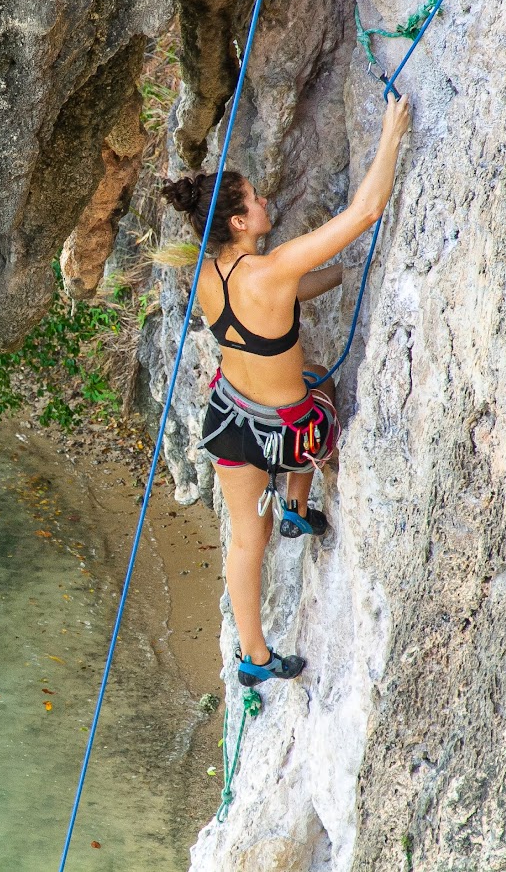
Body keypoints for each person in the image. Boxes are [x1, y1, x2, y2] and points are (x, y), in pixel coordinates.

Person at [161, 96, 412, 688]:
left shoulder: (206, 273)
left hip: (228, 422)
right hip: (288, 436)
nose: (266, 201)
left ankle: (253, 655)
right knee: (317, 385)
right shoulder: (271, 272)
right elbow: (367, 209)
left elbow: (275, 308)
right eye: (256, 198)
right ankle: (297, 506)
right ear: (241, 221)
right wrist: (391, 133)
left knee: (248, 540)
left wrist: (338, 275)